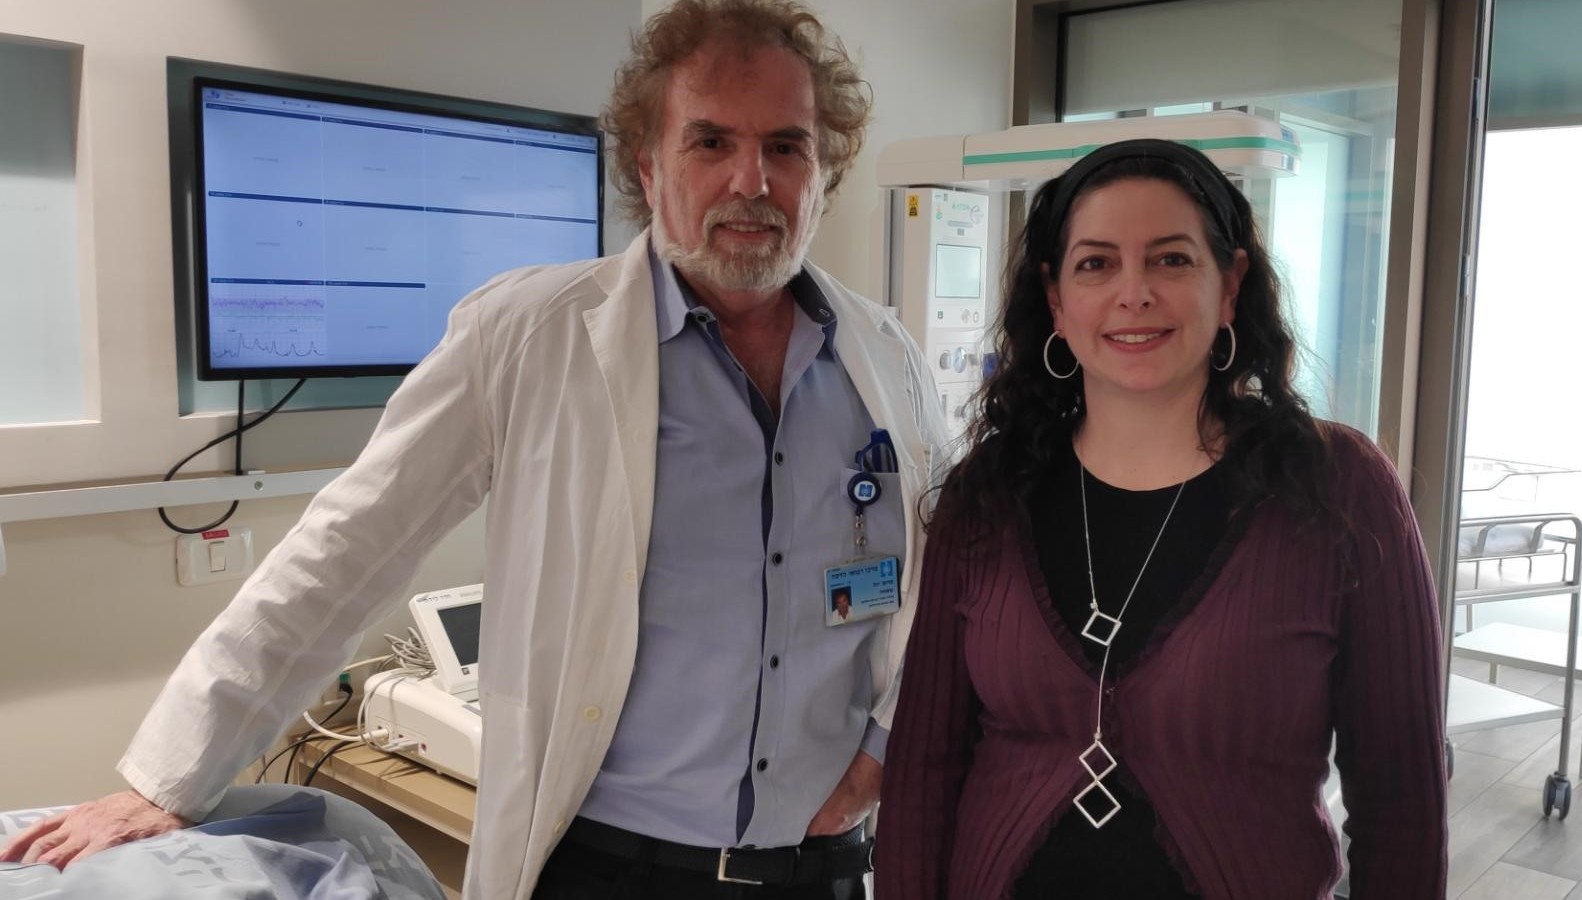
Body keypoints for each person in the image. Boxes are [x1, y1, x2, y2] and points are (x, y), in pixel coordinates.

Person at [0, 2, 946, 897]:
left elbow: (947, 589)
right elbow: (347, 549)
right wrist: (168, 779)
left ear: (824, 169)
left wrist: (882, 754)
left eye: (786, 146)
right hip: (609, 869)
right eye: (710, 142)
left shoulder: (886, 358)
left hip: (821, 869)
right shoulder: (527, 334)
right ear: (649, 168)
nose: (752, 181)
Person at [874, 139, 1447, 899]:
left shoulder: (1339, 487)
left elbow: (1402, 796)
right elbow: (923, 769)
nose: (1134, 293)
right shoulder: (990, 493)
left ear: (1230, 284)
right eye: (1096, 263)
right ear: (1055, 300)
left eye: (1171, 260)